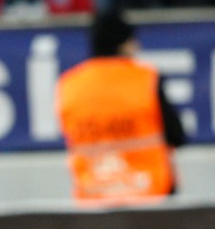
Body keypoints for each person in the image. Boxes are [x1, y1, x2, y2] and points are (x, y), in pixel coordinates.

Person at [56, 11, 186, 204]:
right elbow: (177, 136)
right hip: (152, 192)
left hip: (94, 195)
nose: (137, 46)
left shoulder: (68, 84)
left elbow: (69, 136)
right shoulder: (146, 79)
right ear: (122, 44)